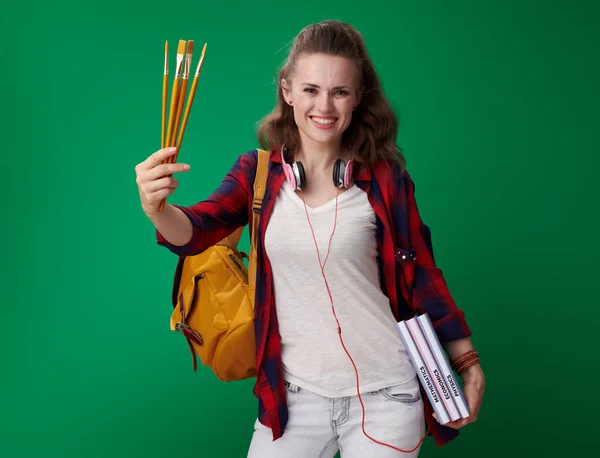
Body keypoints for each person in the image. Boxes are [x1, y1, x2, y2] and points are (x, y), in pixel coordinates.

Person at [135, 20, 485, 458]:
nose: (325, 105)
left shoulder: (385, 180)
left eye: (340, 91)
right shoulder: (256, 174)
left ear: (358, 98)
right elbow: (195, 231)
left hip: (387, 396)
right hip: (294, 397)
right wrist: (158, 209)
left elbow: (423, 276)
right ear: (287, 90)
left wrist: (466, 359)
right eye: (311, 89)